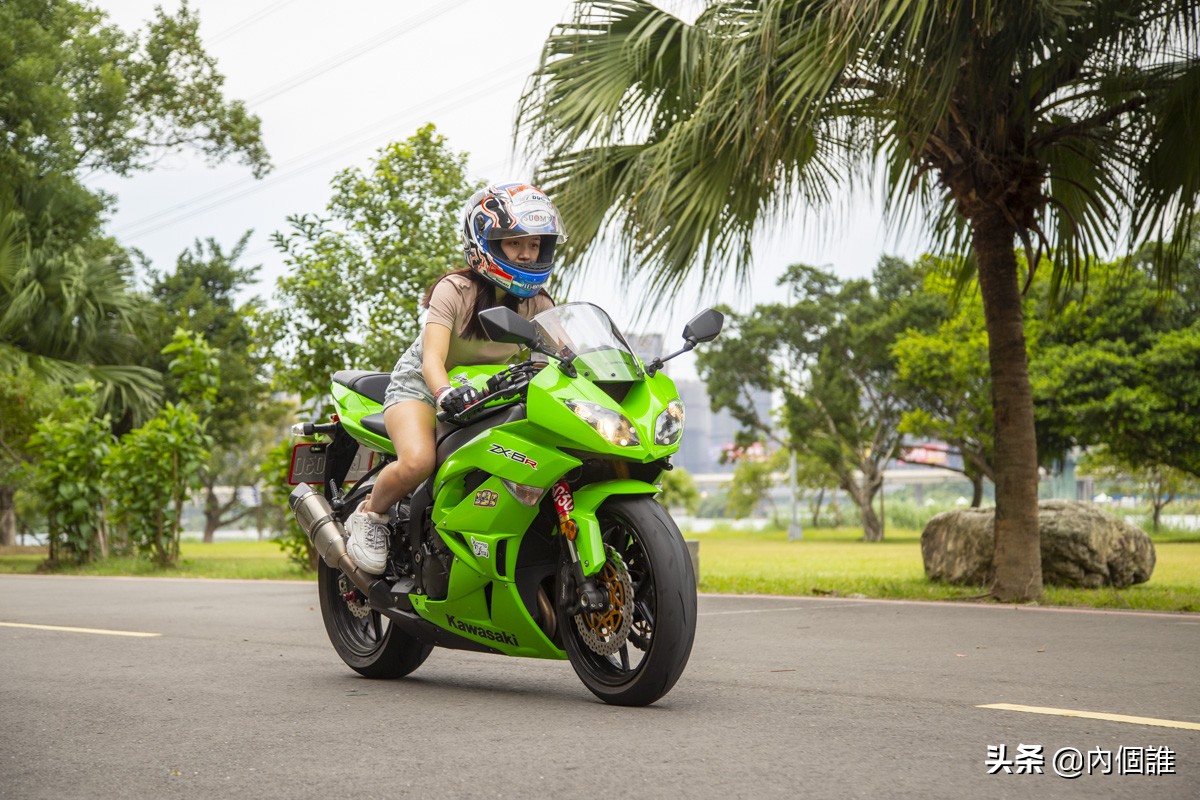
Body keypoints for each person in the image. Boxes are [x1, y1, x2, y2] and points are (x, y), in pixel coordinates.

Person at [344, 182, 566, 574]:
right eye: (516, 243)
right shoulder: (455, 290)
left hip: (491, 395)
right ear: (487, 243)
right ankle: (369, 515)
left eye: (535, 245)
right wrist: (444, 392)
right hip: (425, 389)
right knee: (417, 461)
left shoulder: (539, 303)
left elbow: (561, 359)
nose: (527, 254)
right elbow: (432, 359)